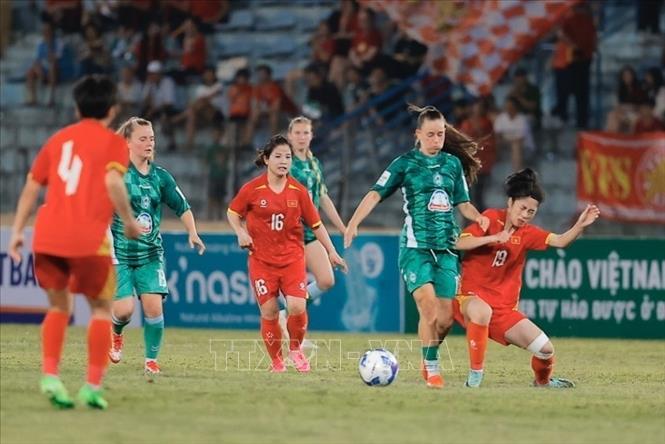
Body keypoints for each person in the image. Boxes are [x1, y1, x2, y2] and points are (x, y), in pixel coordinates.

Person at [8, 75, 141, 410]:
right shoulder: (113, 143)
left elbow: (31, 186)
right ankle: (91, 386)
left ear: (77, 107)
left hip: (47, 236)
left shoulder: (58, 139)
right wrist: (128, 221)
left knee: (58, 307)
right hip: (87, 238)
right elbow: (113, 182)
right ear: (112, 110)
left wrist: (18, 231)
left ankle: (51, 376)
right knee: (101, 309)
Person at [344, 105, 489, 389]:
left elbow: (463, 203)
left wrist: (478, 216)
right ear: (418, 134)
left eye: (441, 134)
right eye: (431, 135)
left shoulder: (452, 164)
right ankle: (432, 369)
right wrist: (353, 223)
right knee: (428, 307)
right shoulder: (405, 164)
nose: (437, 140)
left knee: (445, 320)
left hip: (447, 249)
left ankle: (428, 355)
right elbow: (375, 194)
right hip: (415, 247)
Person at [453, 168, 600, 389]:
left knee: (545, 350)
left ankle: (542, 382)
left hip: (503, 310)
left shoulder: (527, 233)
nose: (525, 215)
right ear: (510, 202)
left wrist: (579, 226)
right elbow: (459, 243)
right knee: (482, 311)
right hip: (470, 298)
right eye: (522, 208)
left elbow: (560, 241)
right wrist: (493, 238)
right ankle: (475, 376)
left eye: (531, 212)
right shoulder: (490, 218)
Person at [227, 135, 347, 373]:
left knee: (297, 306)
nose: (284, 161)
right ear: (266, 159)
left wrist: (332, 251)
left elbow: (316, 225)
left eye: (288, 157)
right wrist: (240, 232)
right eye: (278, 156)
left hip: (292, 259)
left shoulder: (298, 191)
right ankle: (276, 362)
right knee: (270, 311)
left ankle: (295, 350)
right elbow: (232, 212)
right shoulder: (252, 189)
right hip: (261, 261)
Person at [109, 117, 206, 379]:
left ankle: (151, 361)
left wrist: (192, 232)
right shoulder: (117, 174)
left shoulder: (160, 177)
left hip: (151, 254)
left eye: (151, 138)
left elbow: (182, 206)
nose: (149, 143)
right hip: (120, 254)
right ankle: (116, 333)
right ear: (128, 142)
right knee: (124, 311)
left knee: (154, 308)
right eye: (142, 138)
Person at [278, 116, 347, 346]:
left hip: (311, 232)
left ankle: (284, 314)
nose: (301, 137)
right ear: (290, 136)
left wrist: (342, 227)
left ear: (312, 135)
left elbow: (323, 197)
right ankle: (295, 334)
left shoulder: (314, 163)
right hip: (289, 233)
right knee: (294, 285)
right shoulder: (285, 164)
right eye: (297, 133)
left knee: (326, 280)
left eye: (305, 133)